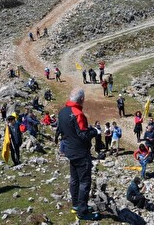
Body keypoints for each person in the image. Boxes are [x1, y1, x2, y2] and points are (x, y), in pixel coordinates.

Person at [55, 88, 99, 221]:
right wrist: (94, 131)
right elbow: (83, 136)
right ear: (81, 99)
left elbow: (59, 130)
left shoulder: (62, 112)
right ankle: (82, 211)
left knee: (74, 179)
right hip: (80, 153)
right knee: (85, 181)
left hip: (70, 151)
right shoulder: (78, 114)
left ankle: (76, 205)